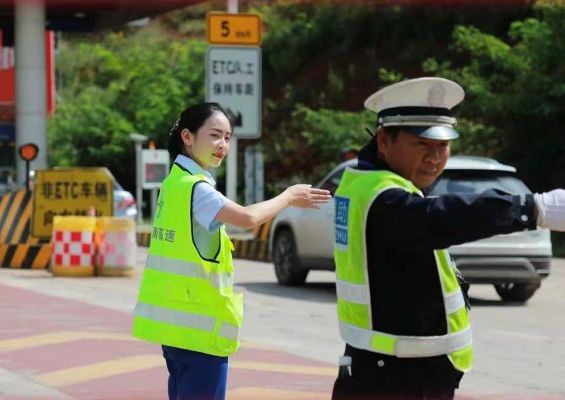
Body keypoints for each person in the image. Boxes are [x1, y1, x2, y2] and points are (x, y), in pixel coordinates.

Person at [331, 77, 565, 400]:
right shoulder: (383, 197)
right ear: (384, 141)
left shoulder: (374, 184)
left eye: (442, 146)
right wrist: (531, 208)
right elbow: (437, 219)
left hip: (395, 372)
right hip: (394, 379)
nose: (435, 158)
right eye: (423, 145)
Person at [132, 102, 331, 400]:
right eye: (214, 135)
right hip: (200, 333)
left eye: (227, 137)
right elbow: (248, 217)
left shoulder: (174, 182)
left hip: (176, 331)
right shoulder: (197, 189)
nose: (222, 145)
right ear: (187, 137)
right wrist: (289, 196)